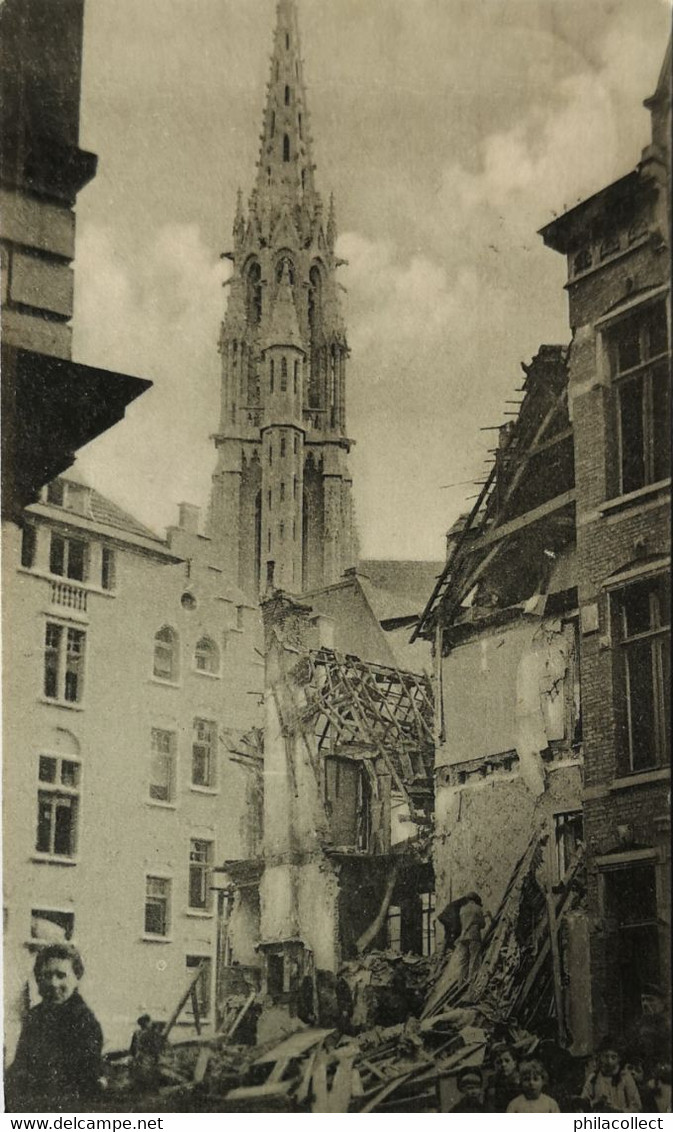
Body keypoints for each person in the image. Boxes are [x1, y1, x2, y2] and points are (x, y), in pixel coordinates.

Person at [5, 944, 103, 1111]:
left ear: (76, 978)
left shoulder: (84, 1022)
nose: (53, 983)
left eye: (61, 975)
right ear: (38, 979)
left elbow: (83, 1084)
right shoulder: (35, 1017)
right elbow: (21, 1067)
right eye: (47, 975)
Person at [581, 1036, 642, 1113]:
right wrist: (594, 1103)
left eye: (613, 1057)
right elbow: (583, 1105)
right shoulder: (593, 1078)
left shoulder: (625, 1078)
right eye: (606, 1057)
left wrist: (617, 1111)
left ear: (619, 1059)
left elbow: (637, 1108)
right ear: (600, 1057)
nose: (609, 1061)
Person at [486, 1041, 521, 1112]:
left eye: (507, 1061)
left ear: (514, 1062)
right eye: (499, 1062)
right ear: (494, 1065)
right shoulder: (493, 1083)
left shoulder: (521, 1082)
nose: (503, 1065)